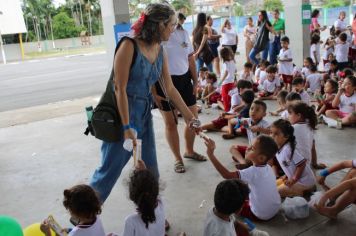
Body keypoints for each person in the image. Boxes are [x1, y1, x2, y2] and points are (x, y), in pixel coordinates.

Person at [89, 3, 201, 202]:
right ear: (159, 25)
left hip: (144, 114)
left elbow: (170, 88)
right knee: (109, 170)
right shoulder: (128, 45)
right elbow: (119, 89)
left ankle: (151, 212)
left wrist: (190, 117)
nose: (174, 29)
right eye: (171, 25)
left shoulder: (160, 50)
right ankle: (82, 216)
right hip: (122, 114)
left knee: (150, 169)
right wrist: (126, 127)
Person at [154, 11, 205, 174]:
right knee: (171, 122)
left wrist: (195, 81)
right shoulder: (158, 37)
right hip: (164, 82)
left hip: (184, 80)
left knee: (193, 117)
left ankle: (189, 151)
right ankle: (178, 158)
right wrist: (154, 92)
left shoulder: (183, 33)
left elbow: (190, 58)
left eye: (176, 22)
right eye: (172, 22)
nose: (175, 24)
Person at [204, 135, 281, 221]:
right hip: (275, 208)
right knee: (244, 188)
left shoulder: (253, 172)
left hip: (260, 215)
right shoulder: (269, 168)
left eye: (252, 148)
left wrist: (210, 154)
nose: (247, 148)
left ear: (261, 158)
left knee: (230, 200)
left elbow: (227, 175)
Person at [203, 179, 269, 236]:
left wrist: (252, 233)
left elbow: (235, 223)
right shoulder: (222, 232)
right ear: (238, 210)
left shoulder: (217, 210)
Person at [270, 119, 316, 197]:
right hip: (295, 180)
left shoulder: (288, 149)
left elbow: (302, 164)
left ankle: (305, 191)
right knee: (271, 186)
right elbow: (289, 165)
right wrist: (287, 176)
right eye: (271, 132)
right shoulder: (278, 147)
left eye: (276, 134)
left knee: (276, 192)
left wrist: (293, 179)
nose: (271, 136)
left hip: (305, 182)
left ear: (286, 136)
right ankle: (299, 190)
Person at [121, 160, 166, 236]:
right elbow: (150, 190)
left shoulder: (130, 221)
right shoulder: (162, 203)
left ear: (132, 197)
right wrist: (145, 172)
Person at [40, 185, 106, 236]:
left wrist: (47, 233)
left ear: (76, 213)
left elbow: (79, 233)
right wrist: (69, 230)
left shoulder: (75, 233)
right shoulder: (96, 217)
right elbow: (87, 232)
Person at [226, 100, 270, 168]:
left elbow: (271, 131)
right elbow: (231, 121)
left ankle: (246, 161)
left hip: (261, 151)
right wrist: (239, 122)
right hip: (250, 148)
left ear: (264, 114)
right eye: (251, 109)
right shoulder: (247, 121)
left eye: (257, 110)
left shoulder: (265, 124)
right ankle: (244, 163)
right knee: (232, 148)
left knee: (247, 155)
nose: (253, 111)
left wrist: (260, 129)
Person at [288, 101, 325, 169]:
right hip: (306, 164)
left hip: (295, 165)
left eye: (290, 114)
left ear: (299, 115)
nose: (288, 116)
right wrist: (315, 164)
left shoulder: (292, 128)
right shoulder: (309, 126)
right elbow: (312, 148)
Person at [220, 47, 237, 112]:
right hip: (231, 82)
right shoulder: (233, 61)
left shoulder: (225, 63)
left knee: (225, 98)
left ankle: (227, 111)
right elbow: (235, 71)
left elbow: (226, 73)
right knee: (230, 97)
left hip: (226, 83)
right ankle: (230, 110)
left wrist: (220, 81)